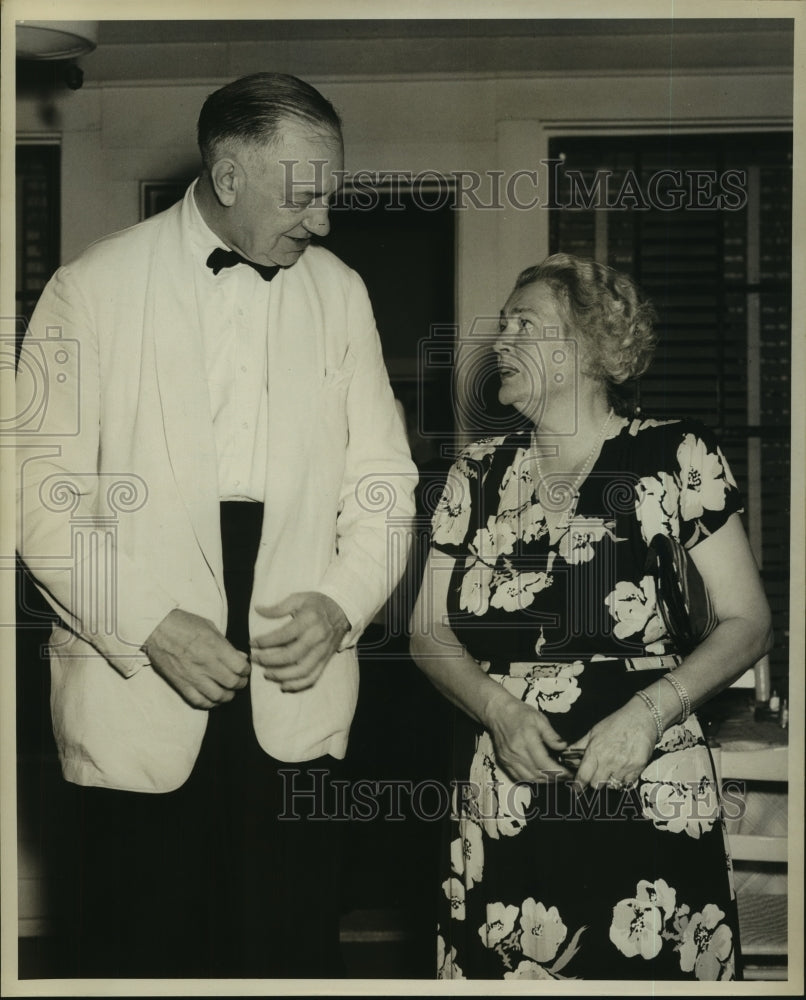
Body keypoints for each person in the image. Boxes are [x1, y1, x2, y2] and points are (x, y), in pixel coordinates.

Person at [16, 72, 417, 979]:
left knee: (286, 954)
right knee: (144, 954)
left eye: (331, 195)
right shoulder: (91, 287)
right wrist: (149, 624)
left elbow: (386, 479)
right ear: (229, 174)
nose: (322, 221)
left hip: (294, 676)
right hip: (140, 681)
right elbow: (36, 496)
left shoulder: (342, 293)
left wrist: (343, 604)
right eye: (303, 194)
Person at [409, 253, 772, 981]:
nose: (500, 341)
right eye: (502, 323)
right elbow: (426, 632)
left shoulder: (676, 455)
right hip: (509, 787)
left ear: (586, 349)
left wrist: (647, 715)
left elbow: (748, 623)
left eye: (525, 324)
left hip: (650, 774)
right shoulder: (471, 475)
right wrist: (500, 714)